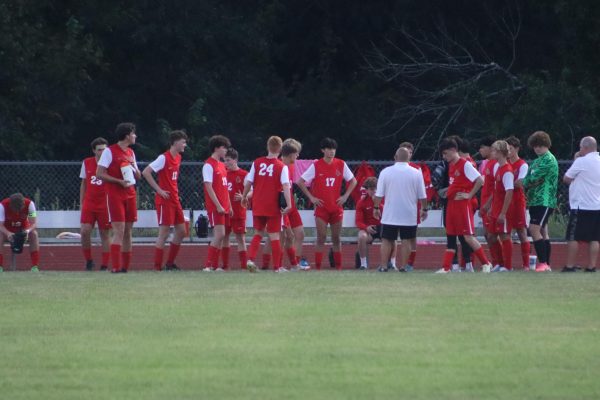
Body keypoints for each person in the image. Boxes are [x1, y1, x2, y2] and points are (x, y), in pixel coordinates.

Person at [297, 137, 357, 270]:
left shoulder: (341, 164)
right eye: (329, 149)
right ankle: (318, 267)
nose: (332, 151)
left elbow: (353, 181)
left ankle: (338, 268)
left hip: (336, 207)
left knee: (336, 238)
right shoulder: (316, 165)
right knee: (321, 237)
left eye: (333, 149)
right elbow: (300, 181)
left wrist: (345, 196)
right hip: (322, 208)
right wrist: (311, 197)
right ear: (323, 150)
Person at [436, 138, 492, 273]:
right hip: (452, 204)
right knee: (450, 235)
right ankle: (446, 267)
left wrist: (470, 195)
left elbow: (480, 180)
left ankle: (486, 263)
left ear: (453, 150)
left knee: (467, 236)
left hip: (462, 205)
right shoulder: (451, 165)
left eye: (445, 153)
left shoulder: (465, 164)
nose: (444, 157)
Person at [242, 136, 291, 272]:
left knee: (258, 233)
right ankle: (277, 267)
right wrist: (289, 204)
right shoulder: (281, 166)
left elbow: (249, 182)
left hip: (258, 203)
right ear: (280, 149)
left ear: (268, 147)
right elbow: (286, 186)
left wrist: (244, 196)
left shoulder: (257, 163)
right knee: (274, 235)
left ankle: (250, 260)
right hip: (273, 205)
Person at [96, 122, 141, 273]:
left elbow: (138, 174)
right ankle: (115, 266)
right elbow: (100, 173)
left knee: (128, 231)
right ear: (127, 135)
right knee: (119, 230)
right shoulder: (110, 151)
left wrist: (135, 171)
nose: (135, 136)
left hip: (130, 193)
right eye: (133, 133)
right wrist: (119, 181)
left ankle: (125, 268)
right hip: (115, 194)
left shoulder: (131, 153)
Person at [373, 147, 427, 272]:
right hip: (409, 213)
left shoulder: (385, 172)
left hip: (390, 213)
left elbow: (379, 194)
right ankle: (403, 267)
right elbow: (422, 195)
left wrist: (376, 207)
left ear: (395, 157)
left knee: (386, 240)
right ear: (409, 158)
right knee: (406, 240)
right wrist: (424, 209)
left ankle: (384, 266)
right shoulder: (416, 172)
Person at [142, 130, 188, 271]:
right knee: (164, 232)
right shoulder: (163, 158)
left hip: (174, 199)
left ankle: (169, 263)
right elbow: (146, 172)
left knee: (181, 231)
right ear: (175, 142)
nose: (185, 145)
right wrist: (159, 190)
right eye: (183, 142)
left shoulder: (178, 157)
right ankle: (157, 266)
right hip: (165, 200)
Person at [522, 131, 559, 272]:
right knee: (543, 231)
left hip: (544, 200)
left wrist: (530, 181)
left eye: (540, 146)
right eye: (535, 146)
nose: (537, 149)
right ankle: (546, 264)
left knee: (534, 229)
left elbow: (533, 178)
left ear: (547, 145)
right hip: (534, 200)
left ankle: (543, 262)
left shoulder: (549, 160)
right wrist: (529, 182)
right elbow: (527, 179)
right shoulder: (536, 161)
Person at [562, 136, 600, 272]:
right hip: (596, 205)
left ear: (584, 148)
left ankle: (570, 265)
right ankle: (591, 266)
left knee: (573, 237)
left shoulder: (581, 161)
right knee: (594, 238)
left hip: (581, 205)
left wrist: (576, 159)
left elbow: (567, 178)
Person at [481, 140, 514, 272]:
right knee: (491, 236)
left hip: (503, 209)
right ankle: (499, 263)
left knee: (504, 236)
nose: (492, 152)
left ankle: (508, 266)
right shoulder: (498, 168)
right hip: (495, 208)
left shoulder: (507, 170)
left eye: (494, 150)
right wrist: (488, 206)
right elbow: (495, 191)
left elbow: (509, 192)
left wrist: (503, 212)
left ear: (500, 153)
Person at [79, 137, 111, 271]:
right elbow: (84, 183)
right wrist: (82, 203)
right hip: (90, 203)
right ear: (94, 151)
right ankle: (89, 260)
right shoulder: (87, 163)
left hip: (106, 203)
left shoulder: (111, 164)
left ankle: (104, 264)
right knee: (85, 231)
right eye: (99, 150)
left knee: (105, 234)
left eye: (104, 149)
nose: (102, 152)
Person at [201, 135, 232, 272]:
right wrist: (218, 205)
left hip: (224, 206)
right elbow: (209, 186)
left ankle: (214, 266)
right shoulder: (209, 165)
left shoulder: (221, 165)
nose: (226, 150)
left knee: (222, 235)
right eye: (224, 147)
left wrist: (229, 205)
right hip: (216, 207)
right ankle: (208, 265)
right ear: (217, 148)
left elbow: (225, 188)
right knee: (219, 235)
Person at [280, 138, 310, 270]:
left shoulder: (292, 166)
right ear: (289, 153)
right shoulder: (278, 166)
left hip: (291, 205)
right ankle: (277, 264)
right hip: (281, 206)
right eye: (296, 153)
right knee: (283, 236)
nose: (298, 156)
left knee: (300, 234)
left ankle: (295, 264)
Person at [506, 136, 531, 270]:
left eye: (510, 149)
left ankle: (526, 264)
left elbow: (520, 183)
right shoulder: (504, 164)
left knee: (521, 231)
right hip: (506, 201)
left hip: (517, 200)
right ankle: (507, 264)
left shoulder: (522, 165)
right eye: (506, 149)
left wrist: (507, 184)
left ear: (516, 149)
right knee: (506, 232)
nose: (508, 152)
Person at [478, 136, 503, 268]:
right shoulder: (487, 163)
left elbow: (496, 187)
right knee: (488, 235)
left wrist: (488, 204)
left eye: (483, 147)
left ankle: (500, 262)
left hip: (491, 204)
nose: (480, 150)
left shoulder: (496, 164)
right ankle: (496, 263)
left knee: (493, 234)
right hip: (485, 203)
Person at [222, 147, 249, 270]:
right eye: (224, 160)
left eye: (228, 160)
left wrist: (244, 196)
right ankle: (225, 266)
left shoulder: (244, 174)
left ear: (235, 160)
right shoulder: (223, 173)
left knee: (240, 238)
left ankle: (244, 266)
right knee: (224, 237)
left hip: (239, 212)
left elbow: (252, 191)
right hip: (225, 212)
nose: (226, 163)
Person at [355, 177, 389, 270]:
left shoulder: (385, 199)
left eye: (375, 189)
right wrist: (366, 227)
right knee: (361, 236)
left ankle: (390, 264)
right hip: (370, 229)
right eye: (371, 189)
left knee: (391, 238)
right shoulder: (361, 202)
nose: (374, 191)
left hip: (383, 228)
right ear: (366, 190)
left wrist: (376, 204)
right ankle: (363, 264)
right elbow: (358, 221)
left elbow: (387, 215)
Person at [0, 193, 40, 272]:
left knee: (34, 234)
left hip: (23, 229)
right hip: (7, 230)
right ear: (11, 205)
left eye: (19, 209)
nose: (17, 212)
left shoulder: (30, 204)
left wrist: (27, 231)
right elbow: (0, 225)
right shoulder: (2, 206)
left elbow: (34, 223)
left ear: (23, 204)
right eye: (15, 209)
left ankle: (35, 266)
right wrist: (8, 233)